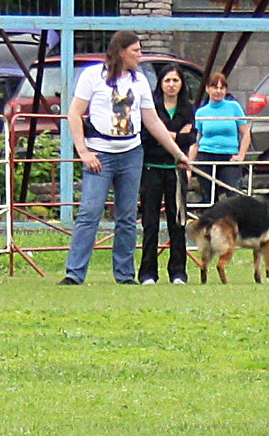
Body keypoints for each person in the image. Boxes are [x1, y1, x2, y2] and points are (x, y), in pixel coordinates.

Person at [59, 31, 191, 285]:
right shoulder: (92, 76)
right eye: (135, 51)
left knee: (127, 216)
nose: (139, 56)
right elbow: (74, 114)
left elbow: (152, 121)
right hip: (100, 153)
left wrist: (178, 154)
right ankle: (74, 273)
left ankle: (125, 274)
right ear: (121, 51)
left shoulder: (139, 80)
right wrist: (83, 151)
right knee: (90, 212)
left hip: (131, 153)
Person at [138, 64, 196, 285]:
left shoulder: (188, 109)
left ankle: (178, 272)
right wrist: (173, 135)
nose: (171, 85)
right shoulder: (151, 108)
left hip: (176, 171)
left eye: (176, 81)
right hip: (151, 169)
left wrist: (167, 136)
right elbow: (148, 136)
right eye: (167, 81)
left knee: (178, 222)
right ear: (160, 84)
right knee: (150, 223)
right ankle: (147, 273)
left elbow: (189, 139)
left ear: (182, 84)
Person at [188, 73, 250, 204]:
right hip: (206, 156)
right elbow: (196, 141)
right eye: (215, 87)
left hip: (229, 157)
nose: (218, 91)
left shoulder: (234, 107)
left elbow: (245, 133)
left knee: (234, 195)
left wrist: (241, 155)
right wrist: (189, 165)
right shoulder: (201, 112)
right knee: (209, 199)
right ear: (207, 89)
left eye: (222, 88)